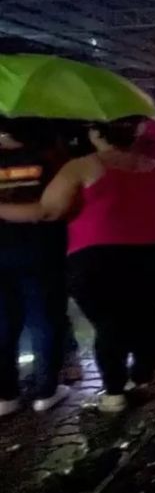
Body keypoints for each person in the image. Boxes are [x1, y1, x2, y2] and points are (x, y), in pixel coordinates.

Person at [0, 117, 155, 414]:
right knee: (145, 317)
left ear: (96, 132)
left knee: (109, 325)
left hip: (98, 257)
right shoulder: (154, 167)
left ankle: (114, 392)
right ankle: (142, 377)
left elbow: (47, 211)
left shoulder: (82, 167)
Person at [0, 118, 70, 416]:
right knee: (44, 319)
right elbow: (57, 208)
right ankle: (46, 391)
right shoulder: (52, 160)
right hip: (42, 250)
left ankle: (5, 396)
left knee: (2, 322)